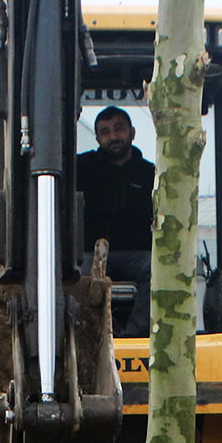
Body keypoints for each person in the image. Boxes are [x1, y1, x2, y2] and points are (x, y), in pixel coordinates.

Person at [76, 105, 156, 336]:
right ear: (98, 138)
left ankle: (134, 337)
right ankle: (90, 335)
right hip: (91, 255)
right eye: (105, 132)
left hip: (137, 257)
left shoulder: (151, 174)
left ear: (132, 132)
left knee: (156, 267)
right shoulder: (82, 169)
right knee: (73, 272)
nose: (113, 137)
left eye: (119, 129)